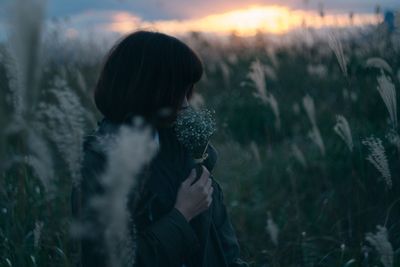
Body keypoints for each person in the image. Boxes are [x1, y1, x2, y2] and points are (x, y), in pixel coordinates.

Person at [71, 30, 249, 267]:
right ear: (148, 90)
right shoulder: (98, 165)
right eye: (179, 91)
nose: (186, 104)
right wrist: (182, 214)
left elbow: (222, 244)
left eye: (188, 91)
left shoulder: (185, 146)